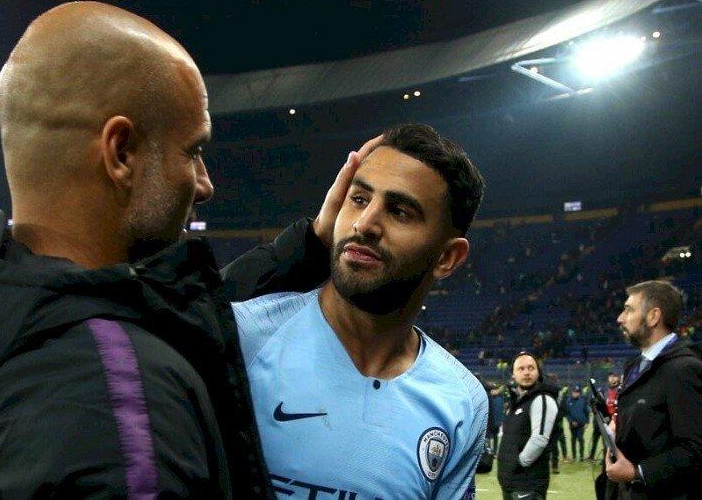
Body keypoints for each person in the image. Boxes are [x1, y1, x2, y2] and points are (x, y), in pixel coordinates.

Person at [0, 2, 380, 497]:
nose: (204, 183)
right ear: (121, 153)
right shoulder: (125, 401)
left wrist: (310, 243)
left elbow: (171, 309)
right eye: (192, 151)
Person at [231, 123, 488, 498]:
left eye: (399, 211)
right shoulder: (245, 337)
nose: (364, 223)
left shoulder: (461, 401)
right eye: (359, 199)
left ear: (447, 257)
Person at [603, 280, 702, 499]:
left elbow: (694, 448)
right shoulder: (635, 365)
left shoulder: (684, 369)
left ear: (653, 316)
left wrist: (637, 472)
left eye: (629, 310)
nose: (620, 318)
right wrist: (617, 425)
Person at [497, 352, 559, 500]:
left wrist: (518, 464)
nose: (526, 372)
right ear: (513, 374)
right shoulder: (517, 401)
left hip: (528, 483)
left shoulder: (542, 398)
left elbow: (539, 439)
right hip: (512, 483)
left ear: (538, 372)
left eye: (531, 368)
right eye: (521, 368)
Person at [589, 371, 620, 461]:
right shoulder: (605, 392)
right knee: (606, 443)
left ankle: (615, 459)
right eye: (610, 377)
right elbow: (600, 405)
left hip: (616, 421)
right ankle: (606, 461)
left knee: (614, 443)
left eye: (614, 377)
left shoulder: (620, 391)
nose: (612, 379)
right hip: (606, 420)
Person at [565, 385, 590, 462]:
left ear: (579, 393)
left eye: (578, 392)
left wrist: (587, 422)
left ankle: (581, 456)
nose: (576, 393)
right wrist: (571, 421)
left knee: (580, 438)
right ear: (572, 392)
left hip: (581, 423)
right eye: (575, 392)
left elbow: (587, 412)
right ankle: (574, 456)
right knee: (573, 439)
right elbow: (567, 413)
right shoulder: (568, 401)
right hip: (572, 424)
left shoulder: (583, 400)